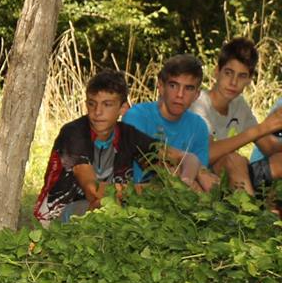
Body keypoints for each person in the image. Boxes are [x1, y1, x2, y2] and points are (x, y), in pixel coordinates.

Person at [35, 69, 213, 224]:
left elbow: (188, 157)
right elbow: (93, 191)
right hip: (60, 214)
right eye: (92, 103)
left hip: (112, 207)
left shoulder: (128, 134)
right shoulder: (74, 132)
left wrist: (186, 181)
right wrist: (157, 189)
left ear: (122, 108)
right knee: (102, 205)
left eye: (107, 105)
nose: (97, 112)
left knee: (191, 176)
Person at [188, 37, 282, 195]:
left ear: (250, 80)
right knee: (233, 159)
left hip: (232, 179)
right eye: (228, 73)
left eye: (242, 76)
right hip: (196, 177)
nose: (233, 82)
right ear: (216, 72)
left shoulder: (239, 105)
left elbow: (269, 148)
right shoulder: (198, 103)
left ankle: (260, 202)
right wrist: (261, 129)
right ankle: (250, 215)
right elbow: (206, 154)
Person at [121, 54, 218, 191]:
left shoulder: (199, 126)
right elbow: (152, 166)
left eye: (188, 88)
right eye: (173, 85)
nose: (180, 94)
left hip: (184, 198)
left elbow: (201, 174)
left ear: (196, 94)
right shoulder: (136, 116)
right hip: (140, 195)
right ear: (160, 86)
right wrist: (187, 178)